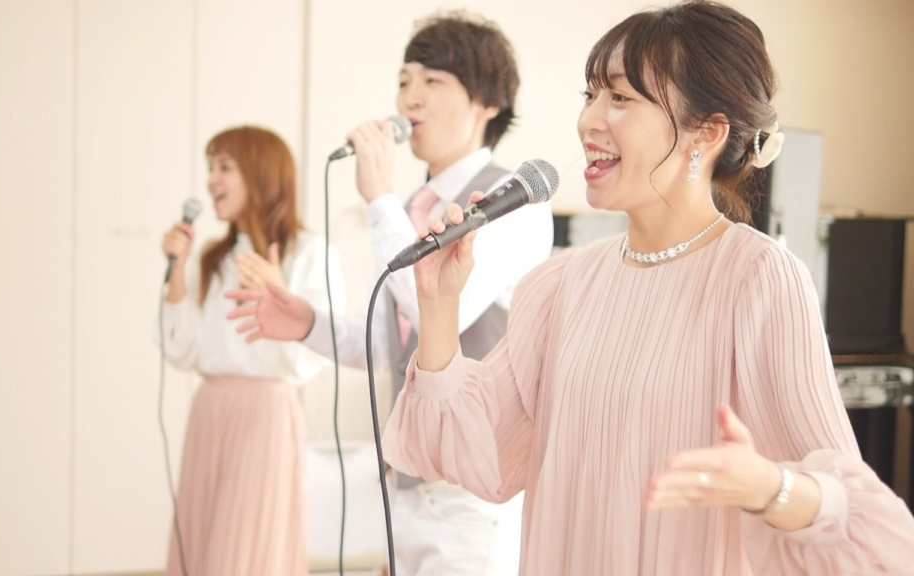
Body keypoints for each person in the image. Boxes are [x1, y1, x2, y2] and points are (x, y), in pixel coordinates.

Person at [376, 1, 914, 574]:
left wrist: (768, 487)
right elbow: (475, 451)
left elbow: (853, 511)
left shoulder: (758, 279)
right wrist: (439, 305)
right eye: (590, 95)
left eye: (620, 98)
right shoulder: (561, 285)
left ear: (706, 133)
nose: (589, 121)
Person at [227, 11, 553, 576]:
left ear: (488, 103)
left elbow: (441, 308)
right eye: (404, 81)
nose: (409, 98)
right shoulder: (406, 212)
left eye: (433, 81)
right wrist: (306, 322)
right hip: (406, 482)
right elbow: (388, 345)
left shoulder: (511, 200)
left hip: (474, 493)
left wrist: (378, 196)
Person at [157, 126, 345, 576]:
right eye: (210, 168)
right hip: (210, 410)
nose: (211, 181)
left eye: (225, 167)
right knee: (203, 545)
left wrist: (281, 299)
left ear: (261, 173)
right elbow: (181, 350)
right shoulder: (212, 258)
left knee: (243, 554)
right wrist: (177, 270)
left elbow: (316, 357)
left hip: (264, 415)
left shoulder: (309, 252)